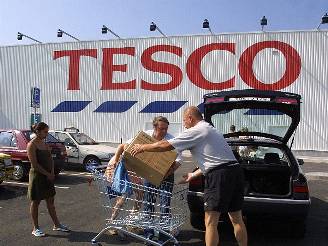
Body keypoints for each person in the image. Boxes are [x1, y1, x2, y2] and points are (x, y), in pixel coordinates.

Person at [130, 107, 248, 246]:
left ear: (190, 118)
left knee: (210, 221)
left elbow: (166, 145)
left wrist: (142, 147)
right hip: (235, 172)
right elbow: (217, 160)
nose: (184, 124)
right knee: (236, 218)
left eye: (184, 120)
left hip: (219, 176)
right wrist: (194, 174)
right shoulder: (210, 129)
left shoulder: (197, 130)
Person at [105, 116, 181, 236]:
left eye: (166, 128)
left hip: (166, 176)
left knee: (164, 205)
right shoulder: (145, 136)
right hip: (149, 174)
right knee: (148, 204)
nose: (165, 131)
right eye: (162, 128)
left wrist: (165, 174)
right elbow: (122, 146)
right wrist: (115, 160)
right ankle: (148, 233)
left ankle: (163, 234)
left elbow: (178, 162)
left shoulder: (171, 140)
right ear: (155, 127)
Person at [27, 122, 70, 237]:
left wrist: (51, 172)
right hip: (37, 177)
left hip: (48, 177)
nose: (47, 134)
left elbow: (50, 159)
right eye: (45, 131)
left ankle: (57, 225)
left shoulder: (45, 144)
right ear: (38, 131)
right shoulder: (32, 145)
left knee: (51, 202)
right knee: (35, 202)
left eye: (47, 131)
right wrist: (47, 174)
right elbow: (34, 164)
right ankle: (35, 228)